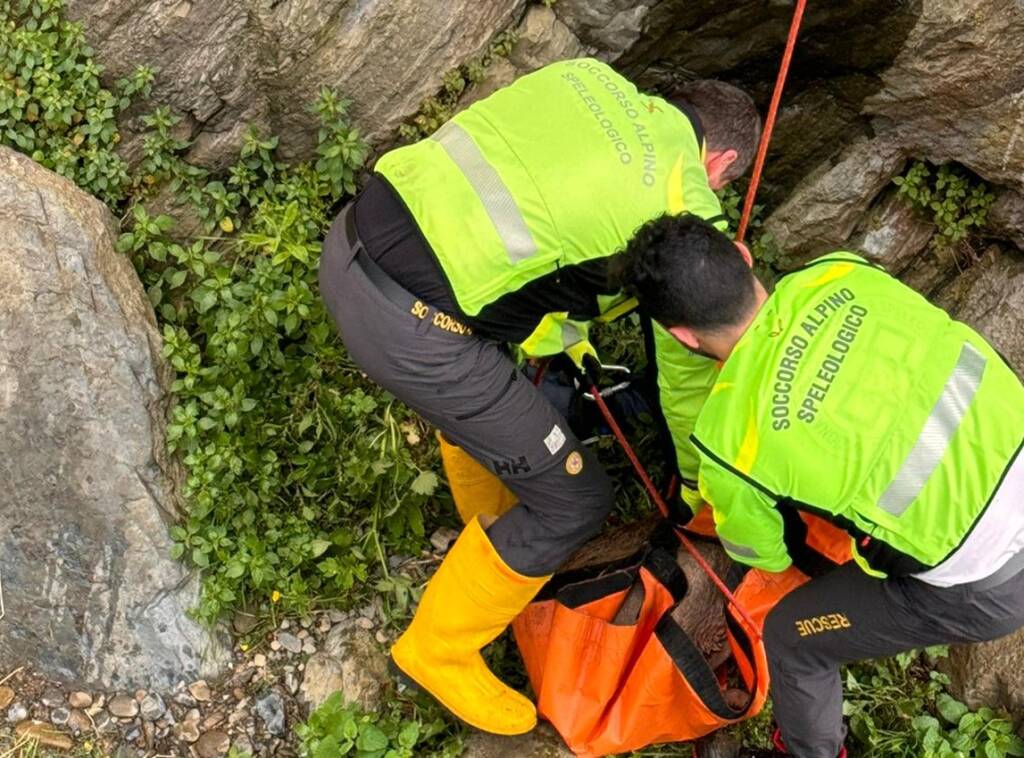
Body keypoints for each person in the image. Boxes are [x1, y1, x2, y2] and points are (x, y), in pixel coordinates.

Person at [318, 59, 760, 735]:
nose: (720, 196)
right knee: (578, 500)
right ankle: (438, 649)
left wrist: (565, 339)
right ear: (721, 160)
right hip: (413, 333)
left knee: (511, 389)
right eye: (726, 183)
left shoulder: (587, 78)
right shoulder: (684, 209)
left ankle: (491, 538)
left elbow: (541, 222)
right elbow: (689, 380)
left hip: (350, 242)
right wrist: (702, 495)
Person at [610, 213, 1024, 758]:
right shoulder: (841, 274)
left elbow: (764, 554)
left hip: (989, 587)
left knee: (792, 638)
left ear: (679, 336)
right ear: (744, 256)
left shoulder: (728, 436)